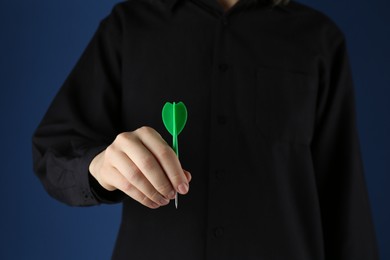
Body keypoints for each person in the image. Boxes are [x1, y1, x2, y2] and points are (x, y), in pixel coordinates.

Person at [32, 0, 380, 259]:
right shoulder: (129, 26)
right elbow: (54, 151)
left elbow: (344, 195)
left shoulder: (319, 39)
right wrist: (99, 166)